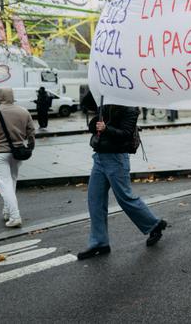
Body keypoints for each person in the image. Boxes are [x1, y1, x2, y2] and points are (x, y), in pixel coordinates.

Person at [77, 97, 167, 260]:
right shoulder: (105, 100)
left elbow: (125, 134)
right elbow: (86, 103)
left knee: (125, 198)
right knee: (94, 200)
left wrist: (106, 129)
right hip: (99, 157)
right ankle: (99, 243)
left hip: (116, 159)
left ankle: (154, 225)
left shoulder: (129, 107)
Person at [0, 88, 35, 228]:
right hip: (17, 153)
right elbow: (31, 133)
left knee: (5, 186)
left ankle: (15, 216)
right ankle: (7, 212)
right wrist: (30, 146)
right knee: (11, 183)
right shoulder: (24, 111)